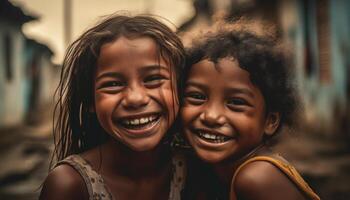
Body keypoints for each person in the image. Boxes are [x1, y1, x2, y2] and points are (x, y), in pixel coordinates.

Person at [39, 14, 186, 200]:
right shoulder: (70, 185)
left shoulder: (194, 169)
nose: (135, 98)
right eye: (113, 84)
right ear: (91, 100)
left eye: (153, 79)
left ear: (180, 88)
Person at [180, 24, 320, 200]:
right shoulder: (213, 172)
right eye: (197, 96)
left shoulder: (257, 178)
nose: (211, 116)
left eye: (236, 102)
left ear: (270, 121)